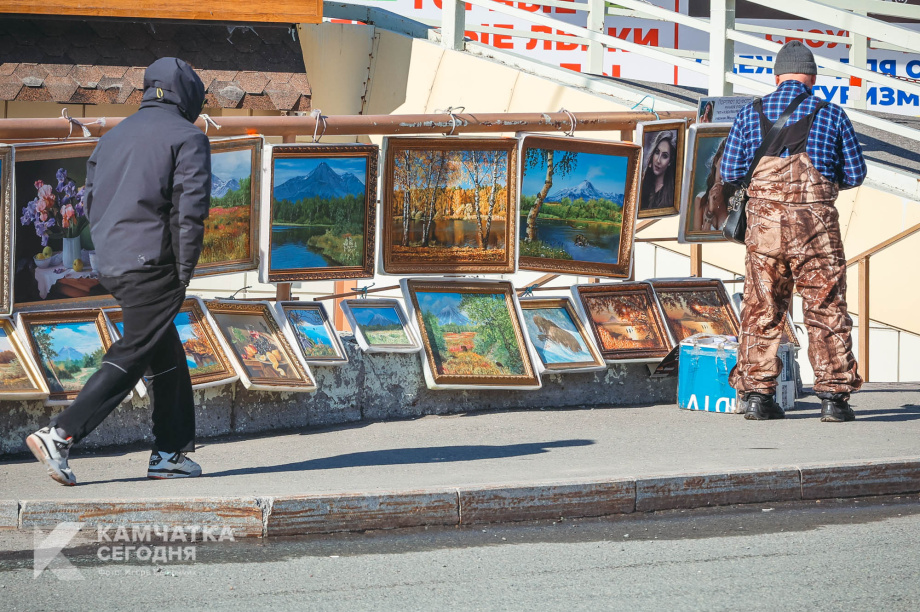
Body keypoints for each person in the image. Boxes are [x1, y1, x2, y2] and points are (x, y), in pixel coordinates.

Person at [25, 57, 211, 485]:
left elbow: (89, 203)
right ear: (188, 94)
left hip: (108, 261)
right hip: (154, 263)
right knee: (132, 351)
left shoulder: (112, 138)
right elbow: (190, 213)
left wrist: (107, 252)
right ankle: (60, 434)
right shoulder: (188, 138)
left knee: (162, 349)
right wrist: (182, 273)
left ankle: (171, 451)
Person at [721, 41, 866, 422]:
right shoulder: (832, 115)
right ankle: (834, 400)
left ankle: (757, 397)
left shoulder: (751, 114)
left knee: (762, 309)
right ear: (813, 78)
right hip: (816, 231)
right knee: (826, 308)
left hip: (765, 231)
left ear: (777, 75)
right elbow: (855, 174)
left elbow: (731, 173)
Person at [692, 138, 734, 231]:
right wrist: (710, 212)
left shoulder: (735, 201)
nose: (724, 173)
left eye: (730, 168)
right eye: (723, 165)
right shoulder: (700, 200)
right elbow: (698, 240)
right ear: (715, 161)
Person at [640, 130, 677, 211]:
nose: (658, 160)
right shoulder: (642, 184)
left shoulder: (672, 193)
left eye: (664, 156)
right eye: (657, 152)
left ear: (670, 162)